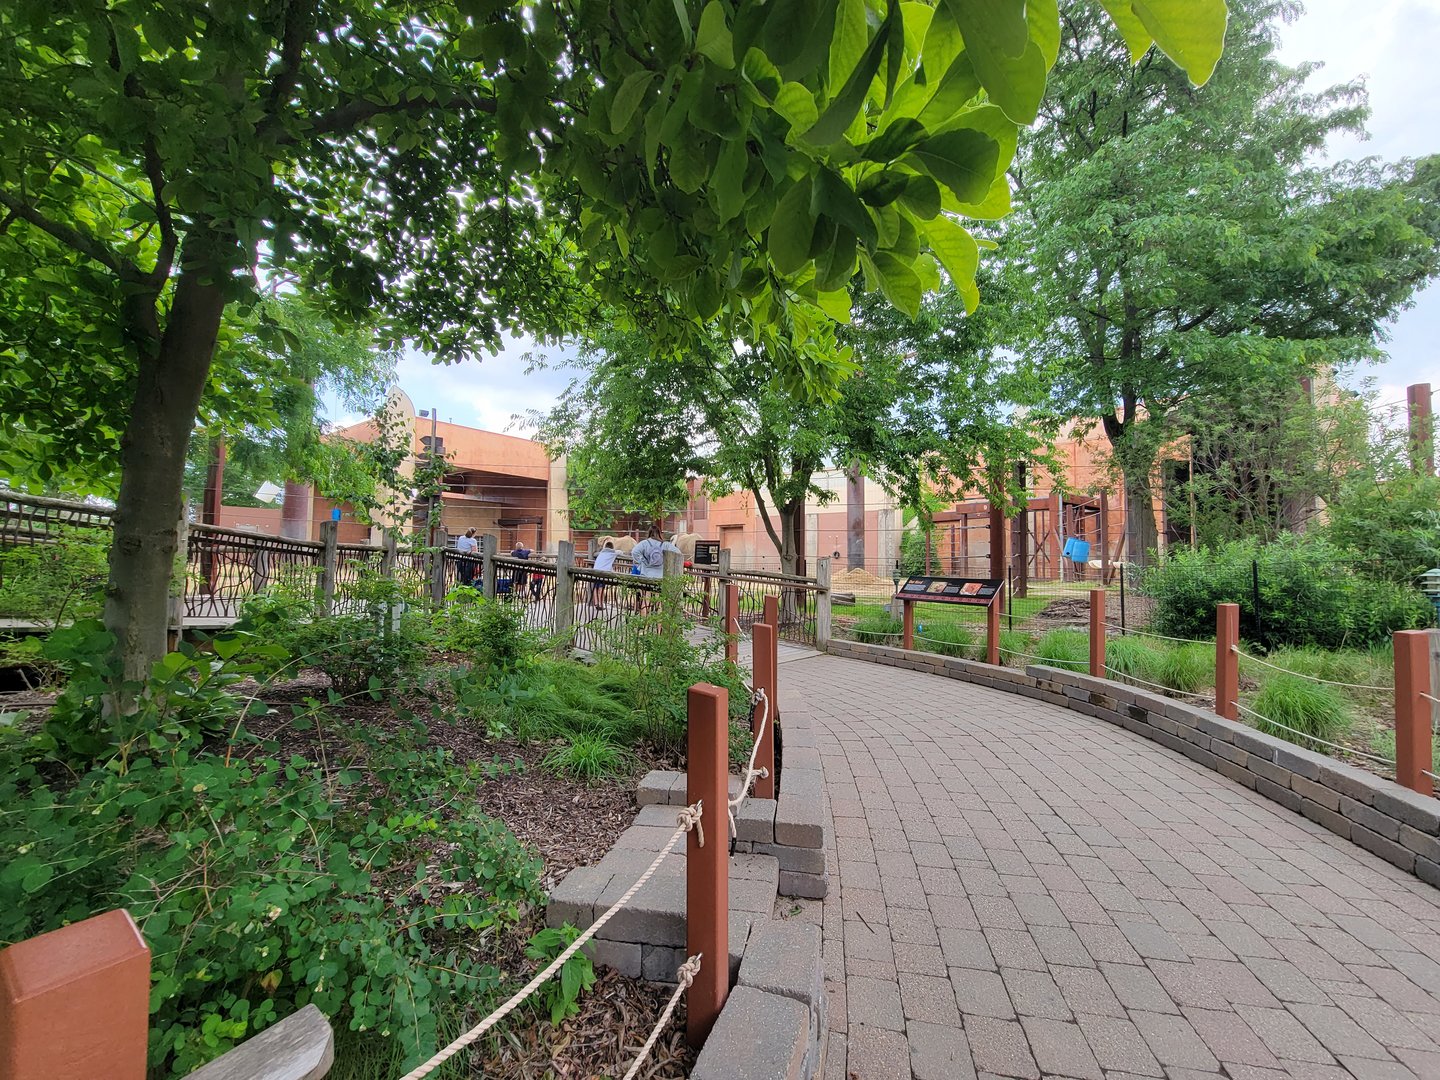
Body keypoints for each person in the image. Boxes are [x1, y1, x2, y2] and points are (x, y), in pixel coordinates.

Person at [591, 539, 617, 608]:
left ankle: (596, 602)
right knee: (601, 588)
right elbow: (620, 552)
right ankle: (600, 604)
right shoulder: (613, 553)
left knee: (595, 587)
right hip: (603, 573)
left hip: (595, 571)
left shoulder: (601, 553)